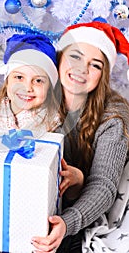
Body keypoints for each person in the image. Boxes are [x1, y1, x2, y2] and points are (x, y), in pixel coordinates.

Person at [31, 21, 129, 253]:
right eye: (75, 57)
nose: (82, 69)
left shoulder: (113, 116)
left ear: (102, 75)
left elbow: (104, 185)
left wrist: (67, 222)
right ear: (60, 59)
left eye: (94, 65)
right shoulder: (36, 93)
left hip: (92, 211)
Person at [0, 33, 60, 135]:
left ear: (49, 87)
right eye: (19, 77)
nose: (27, 88)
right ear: (7, 81)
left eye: (38, 81)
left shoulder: (54, 125)